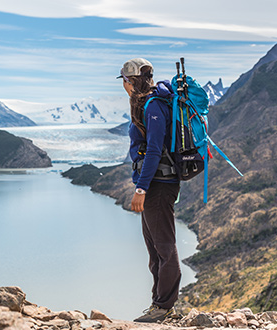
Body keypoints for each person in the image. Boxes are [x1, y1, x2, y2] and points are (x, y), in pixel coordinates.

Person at [117, 58, 181, 323]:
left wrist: (141, 188)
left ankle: (164, 307)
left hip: (158, 185)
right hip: (156, 184)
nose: (123, 85)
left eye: (124, 80)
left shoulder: (153, 106)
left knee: (164, 247)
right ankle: (159, 304)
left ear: (131, 81)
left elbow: (154, 148)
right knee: (155, 249)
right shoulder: (148, 103)